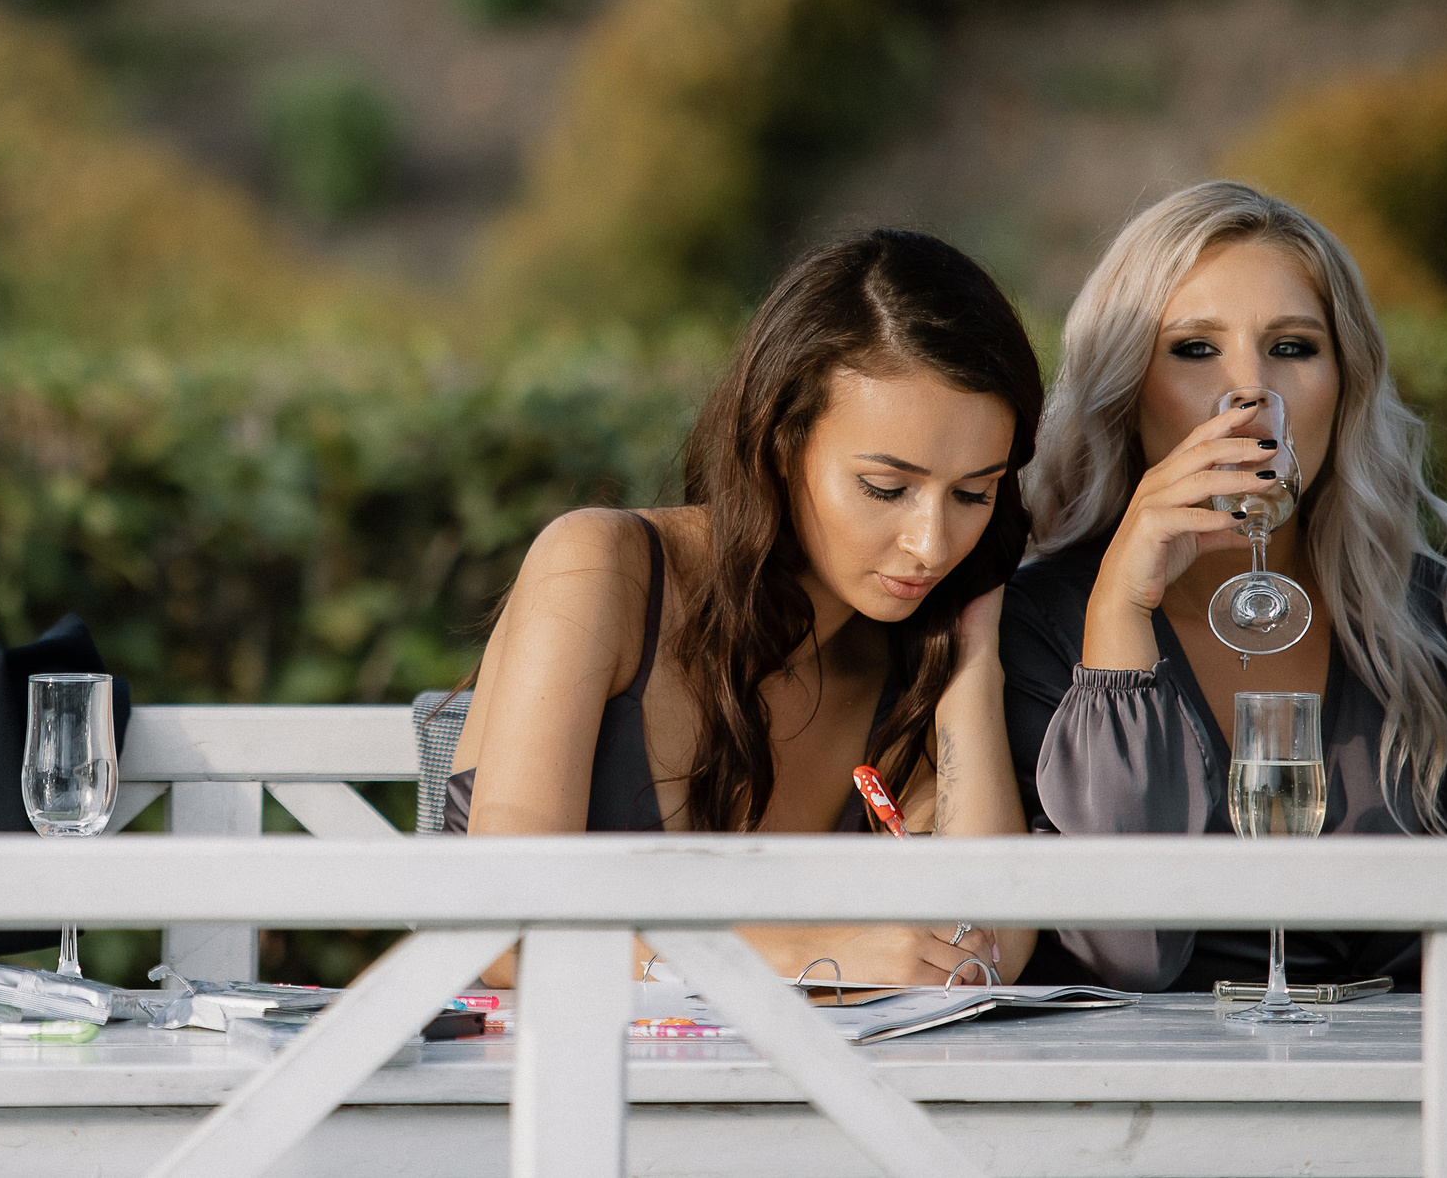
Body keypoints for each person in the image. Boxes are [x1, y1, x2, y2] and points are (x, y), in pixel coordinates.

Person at [447, 229, 1043, 987]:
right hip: (546, 1095)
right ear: (780, 439)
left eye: (973, 492)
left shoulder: (913, 656)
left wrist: (974, 667)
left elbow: (986, 949)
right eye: (886, 488)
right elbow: (497, 927)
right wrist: (805, 956)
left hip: (812, 1101)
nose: (931, 544)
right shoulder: (602, 569)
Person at [1001, 181, 1447, 992]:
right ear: (1127, 387)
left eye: (1293, 347)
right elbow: (1129, 954)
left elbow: (1444, 956)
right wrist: (1121, 610)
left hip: (1394, 1088)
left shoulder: (1416, 608)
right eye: (1194, 349)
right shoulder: (1043, 622)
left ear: (1347, 382)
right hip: (1137, 1097)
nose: (1252, 391)